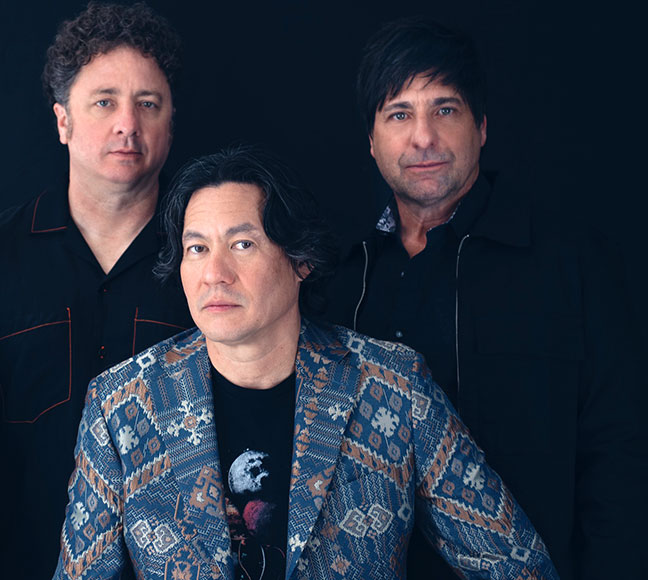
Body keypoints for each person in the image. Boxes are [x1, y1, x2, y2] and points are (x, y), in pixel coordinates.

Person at [54, 146, 558, 579]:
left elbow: (515, 562)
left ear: (300, 260)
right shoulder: (121, 404)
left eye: (242, 244)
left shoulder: (393, 387)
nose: (214, 273)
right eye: (197, 248)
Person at [322, 17, 643, 579]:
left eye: (445, 110)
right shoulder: (337, 277)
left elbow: (622, 451)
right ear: (372, 141)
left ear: (482, 126)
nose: (423, 138)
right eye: (400, 114)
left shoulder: (572, 262)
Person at [0, 2, 192, 577]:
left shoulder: (210, 260)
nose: (127, 124)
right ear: (63, 121)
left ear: (170, 123)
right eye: (104, 102)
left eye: (147, 104)